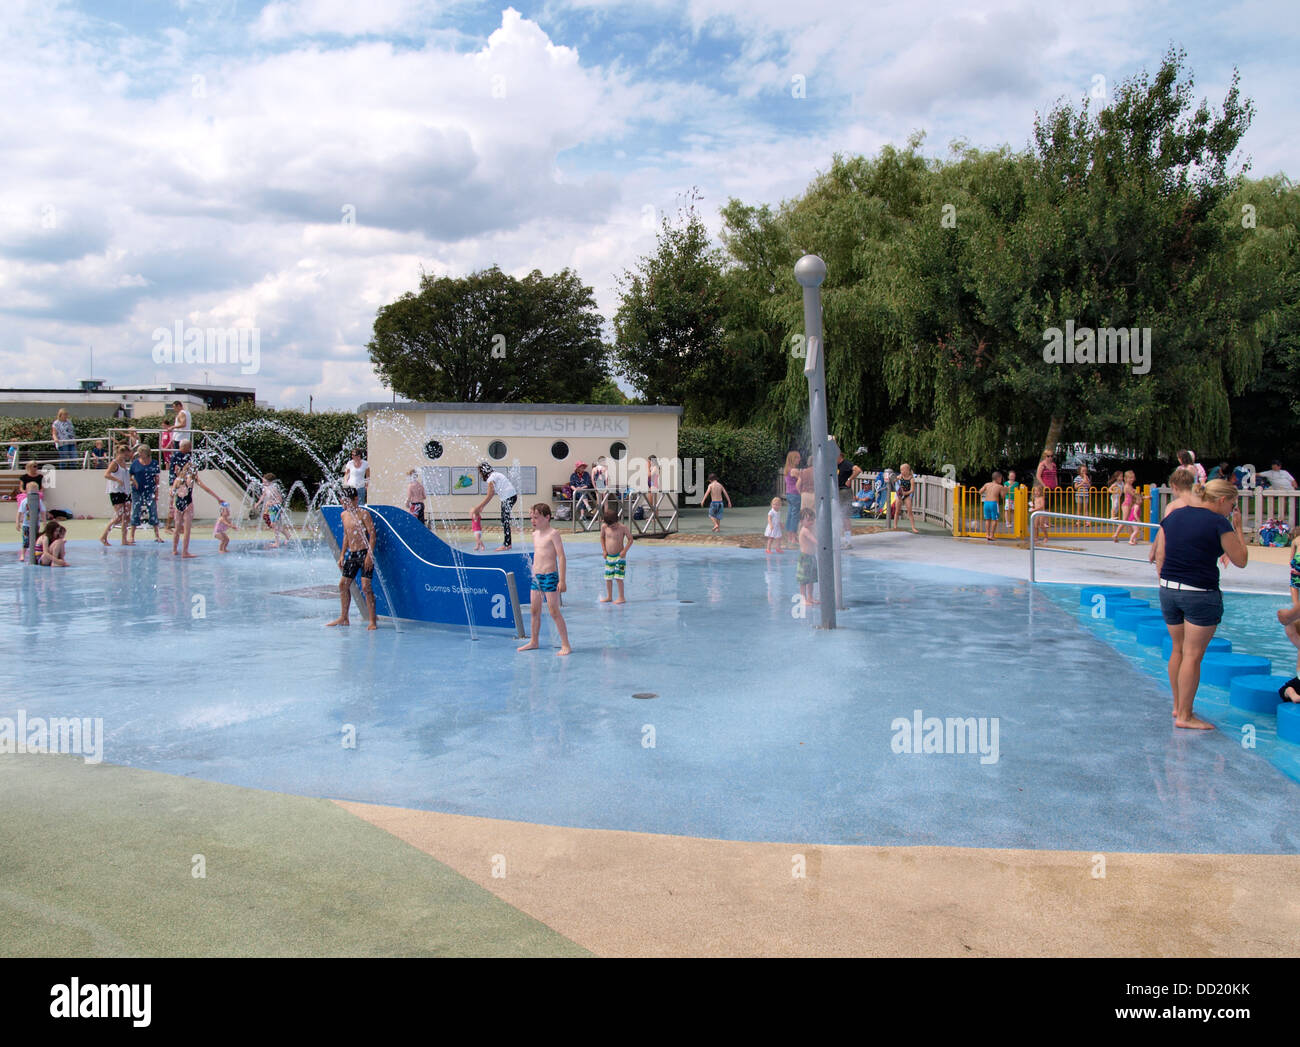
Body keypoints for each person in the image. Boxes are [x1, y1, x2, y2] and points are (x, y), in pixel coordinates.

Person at [1151, 478, 1248, 730]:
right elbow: (1241, 560)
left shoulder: (1174, 516)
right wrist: (1238, 528)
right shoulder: (1219, 522)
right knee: (1193, 656)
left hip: (1168, 590)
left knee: (1178, 650)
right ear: (1222, 500)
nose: (1232, 510)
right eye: (1233, 505)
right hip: (1199, 594)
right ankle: (1185, 716)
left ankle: (1177, 706)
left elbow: (1161, 552)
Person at [517, 502, 570, 655]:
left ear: (547, 517)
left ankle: (565, 644)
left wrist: (562, 580)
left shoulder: (553, 534)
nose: (533, 521)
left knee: (554, 611)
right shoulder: (534, 535)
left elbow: (561, 557)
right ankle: (534, 641)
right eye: (531, 518)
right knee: (534, 611)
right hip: (536, 578)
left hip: (550, 577)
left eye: (536, 518)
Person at [327, 487, 377, 630]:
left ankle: (372, 621)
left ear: (356, 499)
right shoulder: (344, 515)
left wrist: (369, 555)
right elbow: (346, 535)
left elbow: (372, 535)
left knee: (366, 587)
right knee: (343, 585)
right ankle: (344, 618)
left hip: (364, 553)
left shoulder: (364, 514)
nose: (344, 504)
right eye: (343, 501)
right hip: (353, 554)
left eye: (347, 501)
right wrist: (342, 554)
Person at [171, 459, 220, 558]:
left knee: (177, 529)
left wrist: (174, 503)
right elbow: (206, 489)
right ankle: (185, 552)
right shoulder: (193, 479)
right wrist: (218, 498)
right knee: (187, 530)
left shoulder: (178, 479)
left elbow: (171, 493)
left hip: (178, 504)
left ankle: (174, 550)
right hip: (188, 504)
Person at [472, 462, 518, 550]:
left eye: (480, 472)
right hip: (510, 496)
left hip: (508, 497)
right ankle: (507, 544)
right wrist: (482, 506)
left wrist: (480, 506)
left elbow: (490, 494)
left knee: (505, 519)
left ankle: (507, 544)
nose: (480, 475)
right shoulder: (496, 474)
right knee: (505, 519)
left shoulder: (491, 478)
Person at [128, 445, 164, 544]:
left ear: (146, 453)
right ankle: (132, 536)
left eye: (141, 452)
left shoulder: (154, 463)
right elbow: (130, 475)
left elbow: (156, 478)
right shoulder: (135, 463)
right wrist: (133, 481)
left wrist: (156, 491)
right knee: (136, 510)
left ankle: (157, 536)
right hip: (137, 490)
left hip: (149, 490)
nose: (139, 454)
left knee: (153, 511)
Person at [599, 507, 633, 603]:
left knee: (619, 577)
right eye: (610, 526)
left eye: (613, 525)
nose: (612, 527)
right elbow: (602, 537)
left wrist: (625, 551)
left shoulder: (623, 528)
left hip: (620, 557)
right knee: (608, 577)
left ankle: (621, 597)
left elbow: (630, 539)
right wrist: (604, 550)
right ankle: (609, 596)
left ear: (617, 520)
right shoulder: (604, 527)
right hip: (609, 557)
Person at [100, 446, 131, 546]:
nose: (127, 456)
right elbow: (106, 475)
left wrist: (132, 480)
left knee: (126, 516)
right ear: (120, 453)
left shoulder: (123, 463)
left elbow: (125, 475)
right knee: (119, 516)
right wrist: (117, 480)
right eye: (125, 454)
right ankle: (104, 536)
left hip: (125, 491)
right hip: (116, 491)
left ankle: (124, 539)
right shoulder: (114, 463)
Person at [256, 473, 291, 547]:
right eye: (263, 482)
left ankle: (277, 543)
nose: (263, 483)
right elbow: (263, 496)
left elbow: (280, 500)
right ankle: (287, 535)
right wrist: (258, 503)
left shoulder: (274, 489)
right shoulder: (266, 488)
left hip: (275, 508)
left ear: (270, 482)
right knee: (276, 525)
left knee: (274, 525)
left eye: (265, 482)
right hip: (271, 508)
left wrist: (272, 503)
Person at [1111, 470, 1141, 545]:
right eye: (1130, 478)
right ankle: (1116, 534)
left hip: (1129, 505)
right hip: (1126, 504)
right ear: (1126, 479)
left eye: (1133, 478)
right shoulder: (1127, 486)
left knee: (1130, 522)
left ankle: (1132, 537)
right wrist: (1141, 496)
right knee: (1124, 520)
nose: (1132, 479)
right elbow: (1134, 495)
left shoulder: (1130, 486)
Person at [796, 507, 819, 606]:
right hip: (805, 558)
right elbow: (814, 540)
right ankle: (803, 599)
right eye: (808, 520)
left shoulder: (811, 528)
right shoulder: (805, 530)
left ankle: (810, 597)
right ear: (801, 521)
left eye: (812, 519)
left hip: (812, 557)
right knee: (804, 580)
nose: (811, 522)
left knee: (811, 579)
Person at [782, 451, 802, 548]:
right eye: (797, 458)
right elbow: (802, 480)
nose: (799, 459)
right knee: (795, 516)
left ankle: (790, 536)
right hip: (795, 494)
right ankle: (794, 537)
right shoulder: (794, 470)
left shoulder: (787, 469)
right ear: (793, 459)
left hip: (789, 494)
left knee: (790, 515)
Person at [978, 472, 1006, 542]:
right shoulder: (1000, 486)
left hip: (986, 503)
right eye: (1001, 478)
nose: (1001, 480)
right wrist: (1005, 490)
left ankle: (987, 534)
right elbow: (1003, 496)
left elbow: (980, 491)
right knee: (994, 519)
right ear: (998, 478)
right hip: (994, 503)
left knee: (987, 519)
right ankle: (992, 535)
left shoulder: (987, 484)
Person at [891, 463, 918, 533]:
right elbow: (894, 480)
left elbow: (912, 490)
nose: (901, 471)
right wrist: (895, 479)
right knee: (897, 510)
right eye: (901, 470)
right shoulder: (900, 476)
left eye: (902, 470)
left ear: (907, 470)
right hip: (899, 495)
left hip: (907, 495)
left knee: (909, 511)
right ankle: (895, 526)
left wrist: (906, 493)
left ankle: (913, 527)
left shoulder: (911, 479)